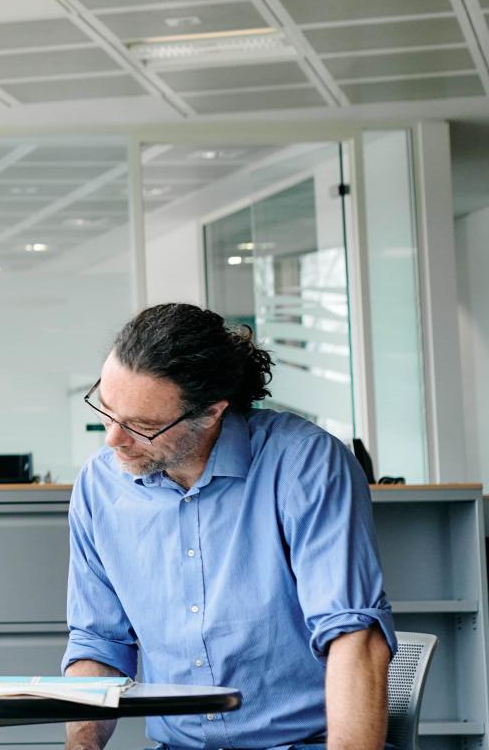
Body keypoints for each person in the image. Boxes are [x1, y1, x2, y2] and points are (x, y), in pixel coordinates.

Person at [63, 303, 395, 750]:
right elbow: (98, 644)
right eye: (106, 410)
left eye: (142, 426)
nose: (113, 440)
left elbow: (353, 634)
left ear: (211, 413)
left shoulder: (303, 464)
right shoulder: (100, 485)